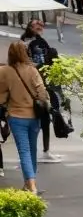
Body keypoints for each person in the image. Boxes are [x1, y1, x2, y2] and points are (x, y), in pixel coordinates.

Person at [0, 40, 49, 194]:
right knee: (32, 149)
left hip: (16, 116)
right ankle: (29, 183)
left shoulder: (5, 71)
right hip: (34, 116)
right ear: (25, 52)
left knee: (24, 150)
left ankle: (32, 185)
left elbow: (1, 97)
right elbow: (42, 93)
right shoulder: (32, 70)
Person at [21, 20, 62, 164]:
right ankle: (37, 153)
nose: (40, 26)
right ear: (30, 27)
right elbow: (39, 64)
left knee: (40, 120)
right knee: (39, 120)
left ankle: (41, 152)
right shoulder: (32, 42)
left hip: (34, 85)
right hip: (37, 86)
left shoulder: (28, 41)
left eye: (41, 24)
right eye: (36, 25)